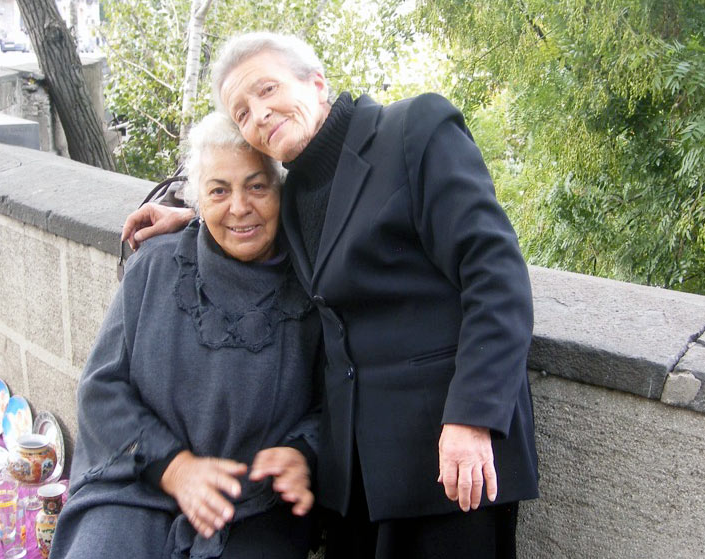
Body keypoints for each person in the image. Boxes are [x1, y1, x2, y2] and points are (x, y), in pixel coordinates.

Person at [123, 32, 538, 559]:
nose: (259, 115)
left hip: (446, 454)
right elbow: (260, 230)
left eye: (267, 89)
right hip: (356, 479)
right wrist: (197, 216)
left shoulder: (413, 130)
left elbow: (497, 274)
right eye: (243, 112)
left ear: (317, 83)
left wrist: (472, 417)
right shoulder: (294, 194)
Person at [52, 112, 322, 559]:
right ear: (198, 199)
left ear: (282, 191)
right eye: (219, 190)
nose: (239, 207)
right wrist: (175, 469)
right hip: (135, 486)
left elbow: (329, 403)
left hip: (252, 505)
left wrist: (301, 454)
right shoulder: (156, 268)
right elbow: (101, 390)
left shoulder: (311, 285)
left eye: (257, 186)